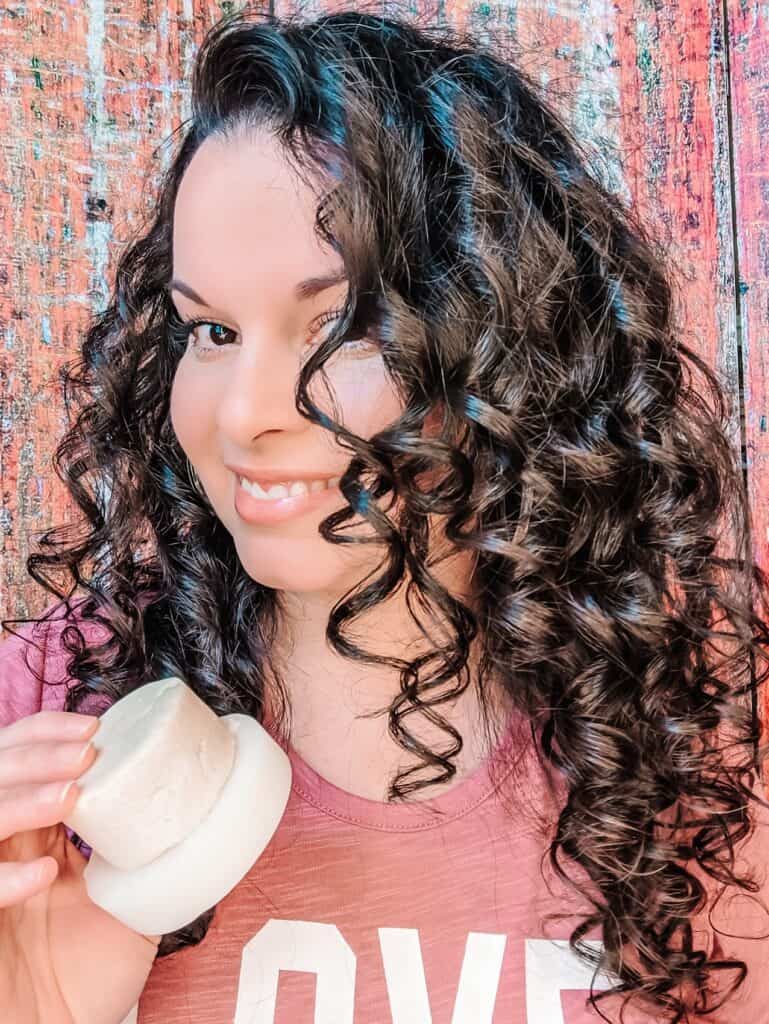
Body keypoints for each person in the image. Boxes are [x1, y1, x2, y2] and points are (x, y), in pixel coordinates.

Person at [1, 7, 768, 1023]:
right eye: (212, 330)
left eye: (344, 330)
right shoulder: (45, 727)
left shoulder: (698, 723)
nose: (242, 415)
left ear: (504, 343)